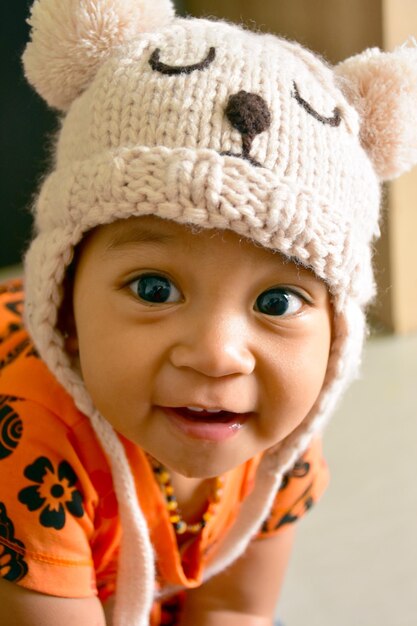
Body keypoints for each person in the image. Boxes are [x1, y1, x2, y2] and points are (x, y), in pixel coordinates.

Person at [0, 1, 416, 625]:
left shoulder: (283, 444)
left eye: (276, 302)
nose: (218, 354)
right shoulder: (29, 437)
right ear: (64, 306)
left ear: (336, 337)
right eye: (153, 289)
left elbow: (235, 610)